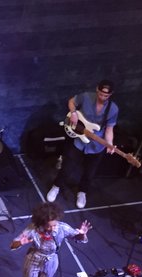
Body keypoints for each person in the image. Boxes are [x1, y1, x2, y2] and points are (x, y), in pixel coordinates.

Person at [11, 202, 91, 277]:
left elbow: (78, 238)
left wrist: (82, 234)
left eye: (54, 225)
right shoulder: (32, 229)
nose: (53, 228)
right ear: (41, 223)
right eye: (49, 226)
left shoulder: (62, 228)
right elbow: (13, 245)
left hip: (51, 260)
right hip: (34, 259)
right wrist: (21, 242)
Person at [46, 80, 118, 209]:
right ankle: (56, 186)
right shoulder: (86, 97)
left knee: (89, 173)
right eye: (100, 94)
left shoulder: (113, 109)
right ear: (97, 89)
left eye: (106, 95)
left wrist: (110, 144)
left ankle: (82, 192)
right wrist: (73, 113)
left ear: (111, 94)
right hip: (79, 141)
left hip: (96, 146)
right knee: (67, 167)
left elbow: (109, 129)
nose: (102, 97)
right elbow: (71, 101)